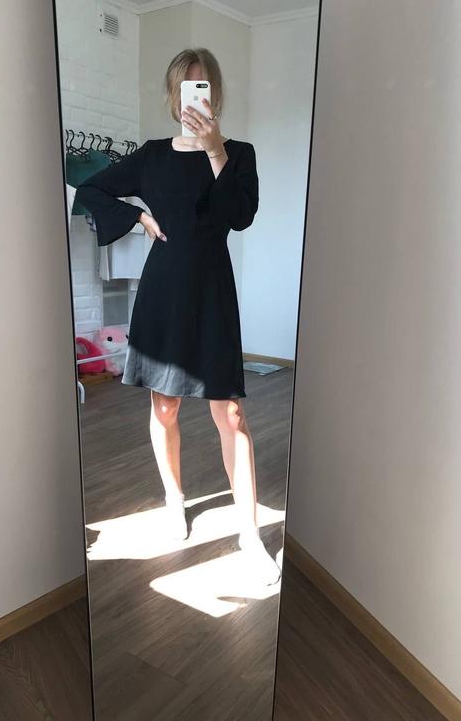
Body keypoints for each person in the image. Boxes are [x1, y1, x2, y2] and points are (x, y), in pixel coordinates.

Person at [75, 48, 280, 584]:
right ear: (174, 94)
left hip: (212, 290)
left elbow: (241, 216)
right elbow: (90, 188)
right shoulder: (151, 156)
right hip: (164, 289)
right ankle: (174, 501)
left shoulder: (239, 154)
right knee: (163, 407)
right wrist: (137, 217)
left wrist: (215, 151)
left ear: (215, 93)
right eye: (188, 86)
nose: (197, 94)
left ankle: (249, 535)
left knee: (229, 414)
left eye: (204, 85)